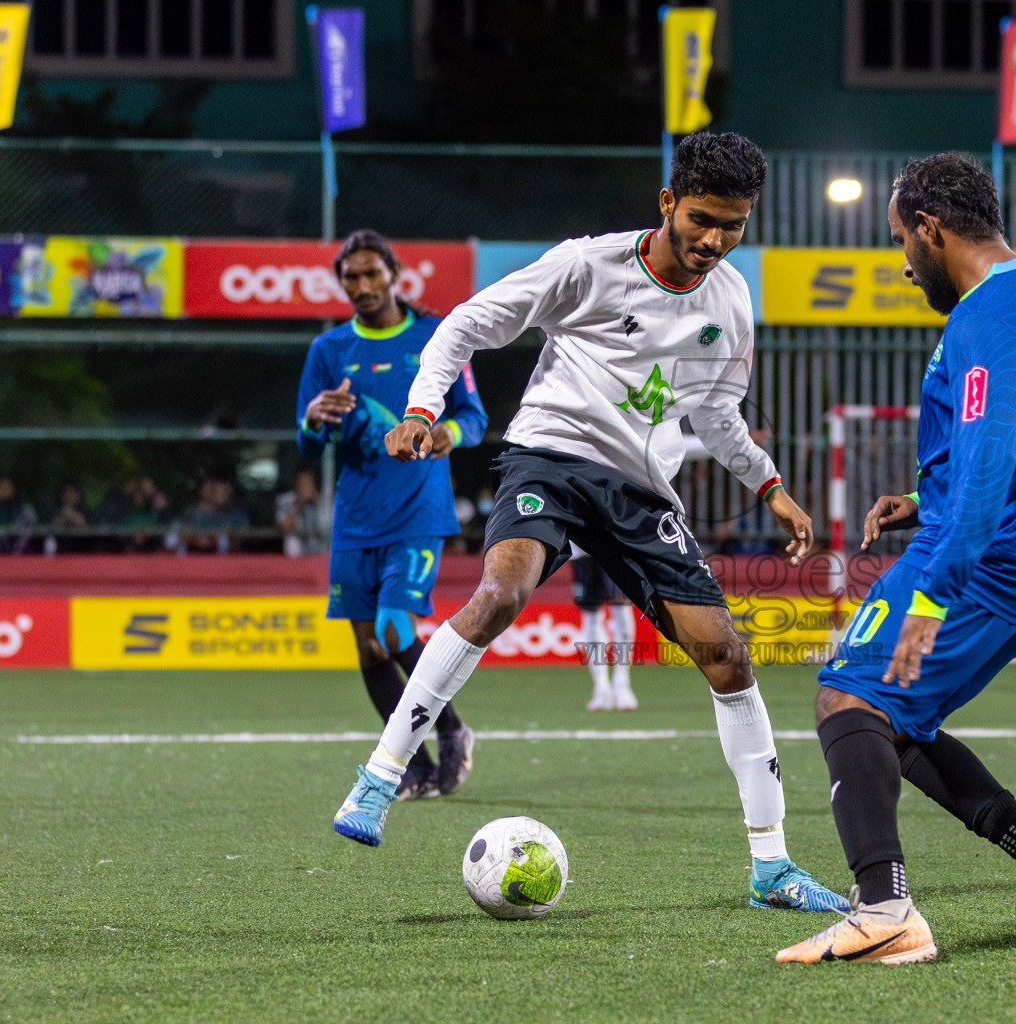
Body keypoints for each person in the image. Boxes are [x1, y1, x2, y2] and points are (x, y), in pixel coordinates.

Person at [331, 131, 848, 915]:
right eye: (703, 218)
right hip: (550, 456)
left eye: (735, 225)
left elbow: (714, 411)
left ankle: (772, 870)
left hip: (640, 490)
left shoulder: (731, 301)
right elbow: (466, 325)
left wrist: (768, 484)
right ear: (668, 203)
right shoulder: (586, 265)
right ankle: (379, 776)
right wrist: (420, 409)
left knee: (728, 660)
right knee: (501, 596)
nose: (715, 240)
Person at [776, 153, 1016, 966]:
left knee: (847, 700)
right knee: (898, 717)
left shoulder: (988, 317)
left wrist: (931, 596)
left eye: (901, 240)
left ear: (932, 229)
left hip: (989, 559)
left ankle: (884, 910)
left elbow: (993, 465)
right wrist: (925, 499)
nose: (902, 260)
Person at [299, 229, 489, 800]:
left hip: (418, 510)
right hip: (356, 517)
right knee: (367, 647)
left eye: (370, 273)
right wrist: (312, 418)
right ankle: (417, 768)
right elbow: (308, 446)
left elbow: (474, 418)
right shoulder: (328, 351)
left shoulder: (435, 336)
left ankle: (452, 732)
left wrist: (442, 432)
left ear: (393, 274)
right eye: (350, 277)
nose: (361, 285)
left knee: (393, 628)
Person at [570, 542, 638, 712]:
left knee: (621, 606)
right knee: (591, 613)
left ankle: (622, 684)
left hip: (615, 543)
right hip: (581, 547)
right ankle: (601, 687)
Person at [176, 471, 251, 554]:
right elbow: (175, 539)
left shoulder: (238, 516)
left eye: (226, 490)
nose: (222, 494)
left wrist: (216, 541)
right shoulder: (188, 515)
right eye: (215, 490)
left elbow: (243, 540)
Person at [275, 467, 331, 557]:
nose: (305, 487)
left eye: (308, 483)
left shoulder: (324, 502)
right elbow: (284, 526)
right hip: (296, 553)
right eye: (302, 483)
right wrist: (299, 503)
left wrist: (316, 502)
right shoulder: (285, 500)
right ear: (296, 484)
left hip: (320, 551)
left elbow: (328, 527)